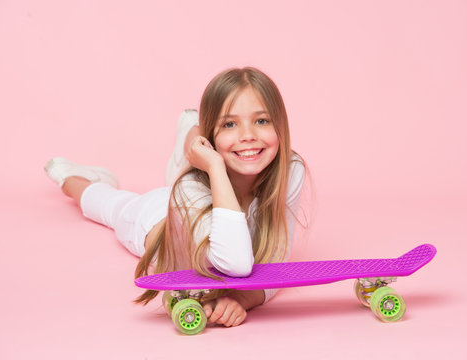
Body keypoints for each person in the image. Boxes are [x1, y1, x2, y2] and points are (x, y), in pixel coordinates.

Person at [44, 67, 307, 328]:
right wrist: (214, 166)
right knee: (104, 203)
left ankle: (189, 136)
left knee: (187, 179)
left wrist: (242, 299)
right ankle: (72, 178)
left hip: (195, 197)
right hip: (154, 219)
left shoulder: (289, 171)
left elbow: (275, 262)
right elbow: (236, 263)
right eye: (229, 124)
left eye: (262, 120)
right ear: (212, 139)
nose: (248, 135)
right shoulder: (189, 187)